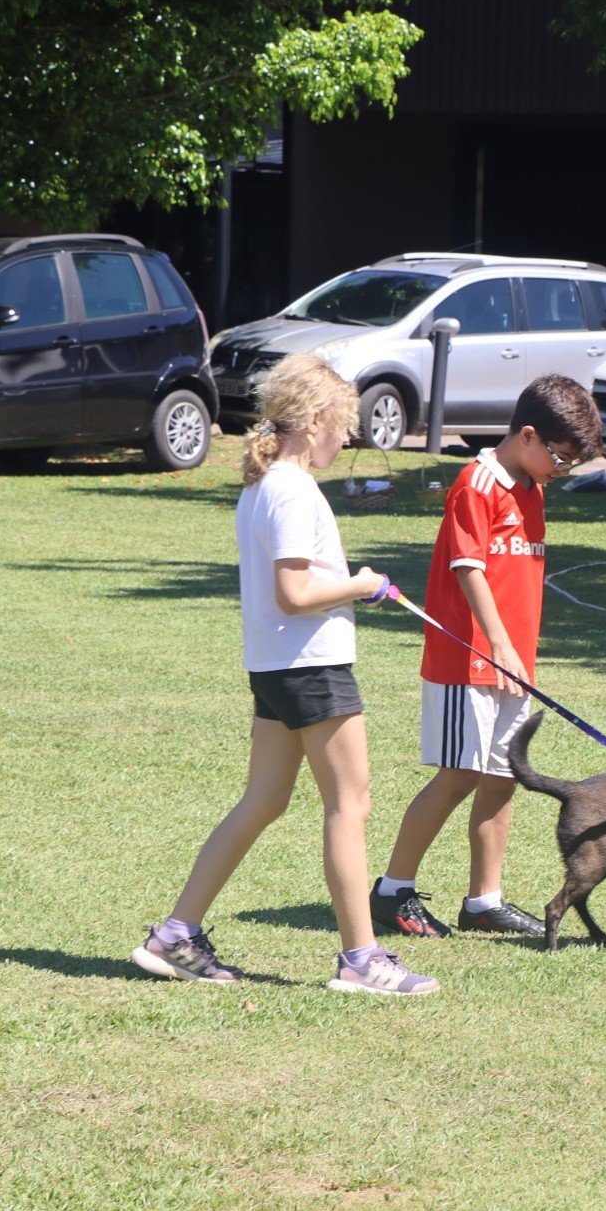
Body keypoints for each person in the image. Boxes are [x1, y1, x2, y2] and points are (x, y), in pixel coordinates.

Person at [130, 354, 435, 995]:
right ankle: (361, 961)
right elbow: (295, 592)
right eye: (342, 425)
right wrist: (364, 583)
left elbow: (291, 585)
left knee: (264, 801)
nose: (347, 439)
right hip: (310, 667)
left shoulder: (263, 486)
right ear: (316, 418)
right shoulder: (291, 490)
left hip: (277, 667)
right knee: (350, 804)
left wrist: (353, 584)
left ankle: (176, 934)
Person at [370, 375, 602, 940]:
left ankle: (484, 900)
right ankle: (392, 890)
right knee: (461, 774)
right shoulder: (477, 484)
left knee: (504, 775)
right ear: (528, 435)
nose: (562, 470)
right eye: (562, 458)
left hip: (513, 665)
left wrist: (516, 652)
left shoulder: (532, 488)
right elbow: (468, 568)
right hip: (467, 660)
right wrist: (497, 643)